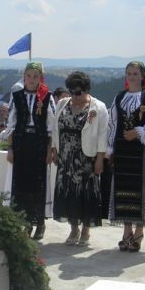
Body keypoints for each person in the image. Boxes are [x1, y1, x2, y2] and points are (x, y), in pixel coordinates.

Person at [108, 61, 145, 252]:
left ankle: (139, 231)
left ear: (142, 76)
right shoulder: (119, 97)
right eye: (129, 73)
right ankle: (127, 230)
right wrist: (110, 148)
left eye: (135, 73)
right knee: (124, 189)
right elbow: (112, 124)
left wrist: (139, 131)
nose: (132, 77)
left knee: (142, 188)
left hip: (143, 150)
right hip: (123, 150)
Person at [51, 71, 108, 246]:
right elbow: (55, 128)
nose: (74, 97)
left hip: (86, 159)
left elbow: (102, 135)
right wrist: (54, 149)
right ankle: (73, 228)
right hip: (66, 158)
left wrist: (100, 158)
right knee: (68, 193)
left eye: (78, 93)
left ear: (86, 90)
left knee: (86, 194)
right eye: (71, 92)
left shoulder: (98, 107)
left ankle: (85, 230)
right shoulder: (62, 104)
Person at [6, 62, 55, 240]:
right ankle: (26, 223)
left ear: (40, 78)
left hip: (39, 143)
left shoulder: (47, 97)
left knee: (38, 183)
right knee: (21, 183)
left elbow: (51, 125)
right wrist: (10, 148)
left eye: (35, 76)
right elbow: (11, 123)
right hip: (21, 143)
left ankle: (40, 223)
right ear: (24, 77)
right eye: (29, 76)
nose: (32, 79)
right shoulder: (16, 96)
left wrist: (49, 150)